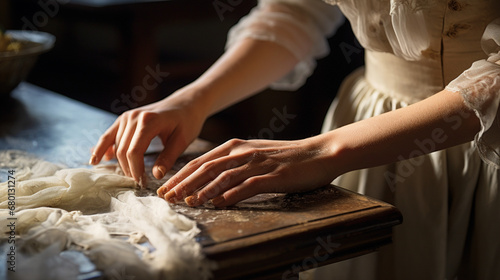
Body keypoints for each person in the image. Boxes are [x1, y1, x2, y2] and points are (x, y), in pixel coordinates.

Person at [90, 0, 500, 279]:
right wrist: (193, 100)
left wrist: (321, 151)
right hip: (369, 123)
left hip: (486, 142)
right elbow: (295, 11)